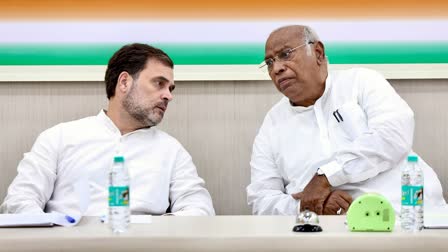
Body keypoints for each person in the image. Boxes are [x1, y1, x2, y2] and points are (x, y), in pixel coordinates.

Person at [247, 25, 446, 215]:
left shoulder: (361, 82)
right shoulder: (272, 123)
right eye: (270, 62)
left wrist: (325, 177)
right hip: (323, 232)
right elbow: (261, 199)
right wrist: (306, 206)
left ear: (317, 52)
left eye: (286, 54)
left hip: (406, 218)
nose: (277, 68)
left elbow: (392, 135)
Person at [1, 43, 215, 216]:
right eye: (159, 83)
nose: (169, 95)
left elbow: (199, 208)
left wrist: (159, 231)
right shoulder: (59, 138)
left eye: (170, 88)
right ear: (124, 82)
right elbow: (20, 201)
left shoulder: (171, 149)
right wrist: (52, 233)